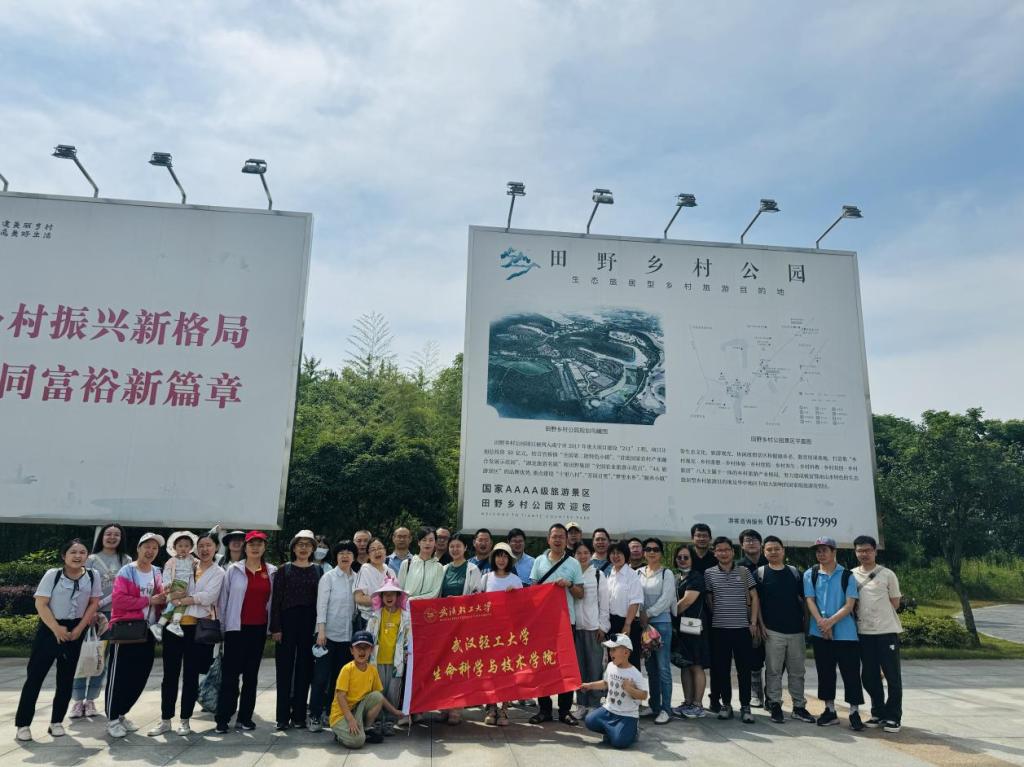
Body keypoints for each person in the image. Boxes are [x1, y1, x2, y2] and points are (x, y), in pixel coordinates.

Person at [15, 538, 101, 742]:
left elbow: (93, 603)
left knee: (66, 679)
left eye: (82, 552)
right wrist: (56, 629)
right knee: (35, 677)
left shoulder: (92, 575)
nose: (78, 556)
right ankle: (23, 724)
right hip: (50, 629)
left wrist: (79, 628)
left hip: (76, 630)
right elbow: (41, 604)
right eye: (73, 552)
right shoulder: (53, 575)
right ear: (64, 556)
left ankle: (56, 722)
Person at [149, 530, 224, 736]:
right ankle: (165, 719)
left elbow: (208, 597)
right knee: (170, 675)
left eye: (209, 545)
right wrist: (173, 595)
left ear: (216, 548)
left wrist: (182, 600)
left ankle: (185, 720)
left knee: (190, 675)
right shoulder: (186, 564)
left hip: (195, 629)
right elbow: (169, 589)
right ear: (195, 549)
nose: (205, 549)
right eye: (201, 546)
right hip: (173, 627)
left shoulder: (218, 572)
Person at [106, 532, 167, 738]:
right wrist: (149, 600)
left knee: (140, 676)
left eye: (155, 548)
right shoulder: (127, 571)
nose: (150, 551)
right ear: (138, 548)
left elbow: (161, 600)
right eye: (147, 547)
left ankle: (122, 713)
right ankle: (112, 719)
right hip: (126, 629)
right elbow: (119, 600)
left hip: (148, 631)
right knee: (119, 676)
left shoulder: (157, 572)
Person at [214, 531, 277, 733]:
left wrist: (272, 628)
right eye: (251, 544)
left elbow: (274, 602)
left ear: (264, 547)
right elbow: (223, 600)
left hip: (258, 629)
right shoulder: (234, 570)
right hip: (236, 629)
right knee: (230, 676)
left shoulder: (272, 571)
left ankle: (245, 718)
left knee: (251, 676)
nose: (255, 548)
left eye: (259, 544)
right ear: (245, 547)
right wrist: (222, 627)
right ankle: (223, 718)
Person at [71, 522, 130, 719]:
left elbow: (126, 588)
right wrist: (91, 611)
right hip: (90, 615)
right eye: (108, 534)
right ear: (102, 537)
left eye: (116, 534)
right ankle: (77, 700)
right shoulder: (90, 559)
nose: (112, 537)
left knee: (101, 659)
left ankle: (91, 700)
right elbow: (83, 587)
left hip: (115, 616)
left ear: (121, 538)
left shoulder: (126, 560)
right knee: (83, 656)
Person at [804, 535, 864, 730]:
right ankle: (829, 710)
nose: (820, 554)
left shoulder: (847, 575)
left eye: (824, 550)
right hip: (820, 632)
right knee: (825, 672)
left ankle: (854, 712)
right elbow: (810, 600)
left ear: (834, 552)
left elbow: (849, 605)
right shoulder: (811, 574)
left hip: (846, 633)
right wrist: (822, 624)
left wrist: (830, 622)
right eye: (818, 551)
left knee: (851, 672)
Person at [528, 523, 585, 726]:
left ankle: (564, 711)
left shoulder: (573, 563)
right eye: (555, 536)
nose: (558, 540)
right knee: (542, 665)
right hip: (543, 623)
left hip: (565, 622)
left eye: (561, 536)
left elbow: (581, 593)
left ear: (566, 540)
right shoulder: (539, 561)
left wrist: (569, 585)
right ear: (548, 539)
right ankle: (544, 709)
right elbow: (533, 591)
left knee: (564, 666)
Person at [755, 536, 814, 724]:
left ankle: (799, 706)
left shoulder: (795, 573)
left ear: (783, 550)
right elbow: (756, 602)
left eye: (776, 549)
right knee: (773, 671)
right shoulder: (760, 573)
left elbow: (806, 600)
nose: (773, 552)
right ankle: (774, 704)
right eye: (769, 549)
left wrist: (807, 624)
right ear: (764, 552)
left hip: (796, 630)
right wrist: (761, 625)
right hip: (772, 631)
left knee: (797, 671)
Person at [703, 536, 760, 724]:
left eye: (726, 549)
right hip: (719, 630)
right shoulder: (709, 573)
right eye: (719, 550)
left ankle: (746, 706)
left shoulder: (744, 571)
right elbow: (709, 600)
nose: (723, 553)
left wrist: (753, 622)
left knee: (744, 670)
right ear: (715, 553)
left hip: (742, 629)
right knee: (722, 669)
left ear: (733, 552)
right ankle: (726, 704)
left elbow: (754, 597)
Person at [270, 529, 321, 730]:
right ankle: (282, 717)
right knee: (284, 669)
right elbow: (276, 600)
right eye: (300, 544)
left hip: (309, 622)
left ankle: (299, 715)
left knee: (304, 669)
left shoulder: (318, 571)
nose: (303, 548)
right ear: (293, 548)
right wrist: (275, 627)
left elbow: (320, 601)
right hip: (287, 622)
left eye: (308, 545)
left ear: (313, 549)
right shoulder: (284, 569)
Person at [852, 535, 903, 733]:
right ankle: (878, 712)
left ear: (875, 551)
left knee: (892, 676)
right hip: (864, 632)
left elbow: (895, 603)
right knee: (869, 676)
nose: (864, 554)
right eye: (860, 550)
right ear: (855, 552)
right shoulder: (852, 575)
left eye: (867, 550)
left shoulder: (887, 574)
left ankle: (893, 716)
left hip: (886, 632)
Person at [310, 540, 359, 732]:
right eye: (341, 553)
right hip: (327, 636)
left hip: (347, 638)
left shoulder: (357, 578)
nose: (345, 556)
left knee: (339, 681)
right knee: (321, 678)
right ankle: (314, 715)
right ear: (336, 556)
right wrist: (321, 631)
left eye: (349, 553)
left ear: (354, 557)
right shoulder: (328, 577)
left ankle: (331, 714)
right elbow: (321, 605)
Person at [436, 534, 483, 726]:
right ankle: (444, 706)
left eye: (458, 546)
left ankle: (456, 708)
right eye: (452, 546)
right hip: (444, 626)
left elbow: (477, 597)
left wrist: (457, 602)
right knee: (445, 667)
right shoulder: (444, 569)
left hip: (464, 626)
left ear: (465, 548)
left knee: (460, 667)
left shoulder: (472, 569)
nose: (455, 549)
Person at [330, 630, 404, 748]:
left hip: (357, 711)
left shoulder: (372, 670)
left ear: (372, 650)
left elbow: (380, 697)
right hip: (341, 715)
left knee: (377, 696)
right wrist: (350, 719)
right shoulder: (347, 669)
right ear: (352, 650)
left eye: (366, 647)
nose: (362, 651)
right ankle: (340, 735)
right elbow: (340, 696)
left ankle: (366, 728)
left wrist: (395, 711)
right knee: (358, 741)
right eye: (358, 647)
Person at [480, 542, 523, 726]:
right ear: (493, 558)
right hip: (489, 632)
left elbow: (523, 608)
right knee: (490, 670)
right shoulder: (486, 578)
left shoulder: (516, 580)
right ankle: (491, 707)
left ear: (510, 559)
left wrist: (514, 597)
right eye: (498, 555)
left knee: (508, 670)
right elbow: (478, 603)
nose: (501, 559)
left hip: (509, 632)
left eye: (505, 556)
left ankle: (504, 709)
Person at [581, 634, 649, 749]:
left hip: (627, 715)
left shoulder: (635, 673)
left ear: (626, 652)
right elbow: (605, 683)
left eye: (614, 650)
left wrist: (629, 689)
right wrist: (589, 685)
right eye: (610, 650)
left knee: (619, 743)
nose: (610, 653)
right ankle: (613, 732)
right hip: (609, 710)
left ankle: (633, 731)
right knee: (589, 721)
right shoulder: (610, 666)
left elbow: (644, 695)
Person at [638, 537, 675, 724]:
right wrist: (641, 615)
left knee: (663, 668)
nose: (651, 552)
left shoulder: (666, 573)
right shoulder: (637, 573)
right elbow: (634, 596)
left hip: (661, 624)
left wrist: (649, 613)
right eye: (648, 549)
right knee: (650, 668)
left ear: (661, 553)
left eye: (655, 549)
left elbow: (667, 598)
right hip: (644, 625)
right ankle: (654, 705)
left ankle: (666, 709)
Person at [365, 578, 410, 736]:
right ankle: (377, 722)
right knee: (378, 692)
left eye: (392, 594)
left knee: (393, 693)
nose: (389, 597)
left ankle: (390, 722)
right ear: (381, 597)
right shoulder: (375, 615)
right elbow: (368, 637)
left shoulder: (405, 617)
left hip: (396, 663)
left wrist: (407, 653)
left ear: (398, 597)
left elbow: (408, 638)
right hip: (377, 661)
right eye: (386, 594)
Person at [670, 545, 709, 719]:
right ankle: (687, 702)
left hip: (694, 627)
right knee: (684, 664)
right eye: (679, 557)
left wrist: (667, 614)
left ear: (692, 559)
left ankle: (698, 705)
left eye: (686, 557)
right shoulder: (676, 577)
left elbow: (686, 601)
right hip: (680, 628)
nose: (682, 560)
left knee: (696, 665)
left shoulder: (696, 577)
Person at [572, 539, 610, 720]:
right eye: (579, 553)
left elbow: (605, 603)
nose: (582, 556)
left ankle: (594, 704)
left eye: (586, 553)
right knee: (578, 668)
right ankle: (581, 703)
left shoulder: (598, 575)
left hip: (593, 627)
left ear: (591, 554)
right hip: (575, 627)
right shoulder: (571, 574)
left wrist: (603, 626)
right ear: (574, 555)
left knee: (595, 668)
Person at [737, 528, 769, 707]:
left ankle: (771, 693)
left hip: (773, 616)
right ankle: (755, 691)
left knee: (775, 660)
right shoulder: (738, 567)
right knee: (753, 656)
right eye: (747, 540)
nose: (751, 543)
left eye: (755, 539)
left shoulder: (770, 562)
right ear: (742, 545)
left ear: (761, 543)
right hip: (749, 617)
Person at [151, 531, 198, 641]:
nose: (183, 548)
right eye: (180, 546)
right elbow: (167, 572)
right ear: (175, 547)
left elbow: (198, 564)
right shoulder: (172, 560)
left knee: (174, 606)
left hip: (186, 585)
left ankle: (160, 625)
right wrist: (167, 583)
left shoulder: (191, 559)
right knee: (178, 604)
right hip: (176, 583)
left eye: (186, 546)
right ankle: (174, 623)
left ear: (191, 547)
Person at [606, 541, 644, 668]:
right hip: (612, 623)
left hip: (627, 623)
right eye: (613, 553)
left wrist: (627, 625)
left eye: (619, 553)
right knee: (614, 661)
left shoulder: (632, 575)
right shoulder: (610, 574)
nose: (616, 556)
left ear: (626, 555)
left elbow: (635, 602)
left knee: (630, 662)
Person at [353, 538, 396, 629]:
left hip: (387, 619)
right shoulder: (365, 569)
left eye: (380, 548)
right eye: (373, 549)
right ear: (368, 555)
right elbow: (358, 598)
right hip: (368, 620)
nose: (377, 552)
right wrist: (383, 601)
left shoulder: (390, 571)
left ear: (385, 551)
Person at [397, 526, 443, 599]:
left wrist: (414, 599)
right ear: (419, 542)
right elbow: (399, 589)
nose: (427, 543)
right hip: (407, 605)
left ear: (435, 543)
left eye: (431, 540)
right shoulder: (407, 563)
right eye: (424, 540)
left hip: (428, 605)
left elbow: (435, 593)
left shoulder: (439, 567)